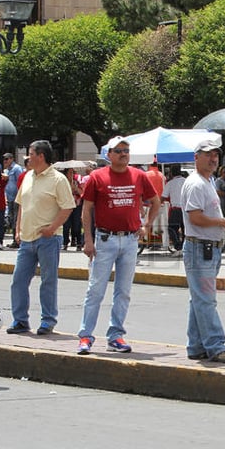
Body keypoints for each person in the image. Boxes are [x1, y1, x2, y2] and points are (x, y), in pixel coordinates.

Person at [76, 136, 160, 355]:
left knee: (123, 291)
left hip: (130, 240)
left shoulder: (139, 176)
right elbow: (87, 209)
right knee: (96, 290)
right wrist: (88, 239)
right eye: (119, 150)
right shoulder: (97, 177)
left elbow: (155, 201)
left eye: (126, 150)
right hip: (105, 239)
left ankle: (116, 335)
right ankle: (85, 335)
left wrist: (147, 225)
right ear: (109, 155)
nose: (124, 154)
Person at [7, 140, 75, 336]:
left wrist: (52, 228)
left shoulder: (58, 179)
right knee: (18, 281)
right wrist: (17, 230)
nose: (28, 158)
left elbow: (68, 206)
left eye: (31, 153)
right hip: (27, 239)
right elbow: (21, 205)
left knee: (48, 281)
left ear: (41, 156)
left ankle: (47, 320)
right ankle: (20, 320)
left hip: (48, 239)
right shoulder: (28, 176)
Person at [179, 138, 225, 363]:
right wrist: (223, 222)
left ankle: (196, 346)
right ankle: (216, 345)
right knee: (205, 299)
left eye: (215, 155)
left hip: (207, 248)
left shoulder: (207, 181)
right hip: (200, 247)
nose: (213, 159)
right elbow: (196, 218)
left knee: (199, 299)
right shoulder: (196, 183)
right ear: (196, 157)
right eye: (207, 154)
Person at [163, 165, 186, 254]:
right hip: (186, 209)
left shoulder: (170, 183)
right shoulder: (186, 181)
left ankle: (178, 246)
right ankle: (184, 246)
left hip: (175, 210)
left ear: (171, 173)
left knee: (172, 228)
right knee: (185, 229)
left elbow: (163, 197)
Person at [62, 167, 84, 251]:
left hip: (76, 205)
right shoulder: (62, 181)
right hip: (66, 206)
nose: (71, 174)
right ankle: (65, 242)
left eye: (73, 172)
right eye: (70, 172)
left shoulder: (77, 181)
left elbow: (82, 192)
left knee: (76, 225)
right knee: (66, 225)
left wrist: (75, 188)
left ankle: (78, 242)